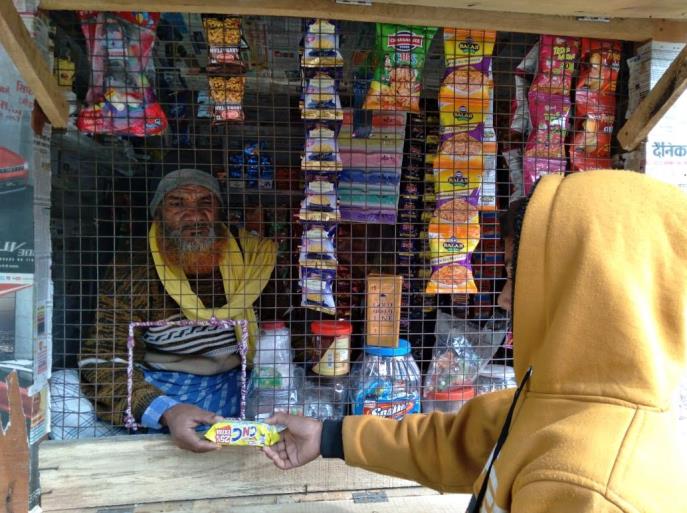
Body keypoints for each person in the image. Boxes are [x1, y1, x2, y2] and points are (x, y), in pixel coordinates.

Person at [263, 170, 687, 512]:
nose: (503, 298)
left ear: (591, 293)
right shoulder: (552, 404)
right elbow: (454, 445)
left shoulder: (590, 488)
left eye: (514, 278)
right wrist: (328, 436)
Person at [79, 168, 277, 452]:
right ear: (157, 214)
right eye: (177, 203)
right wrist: (166, 411)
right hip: (160, 385)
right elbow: (103, 353)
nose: (194, 216)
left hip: (239, 384)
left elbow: (284, 332)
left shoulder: (253, 257)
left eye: (205, 203)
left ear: (219, 212)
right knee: (63, 394)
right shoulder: (133, 268)